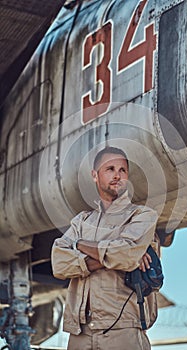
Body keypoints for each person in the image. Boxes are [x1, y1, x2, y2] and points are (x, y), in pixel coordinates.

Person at [51, 146, 160, 350]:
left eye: (123, 171)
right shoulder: (81, 222)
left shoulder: (141, 216)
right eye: (110, 169)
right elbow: (59, 264)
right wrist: (115, 255)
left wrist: (78, 246)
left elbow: (127, 256)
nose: (117, 176)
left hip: (123, 329)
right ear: (95, 175)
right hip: (80, 333)